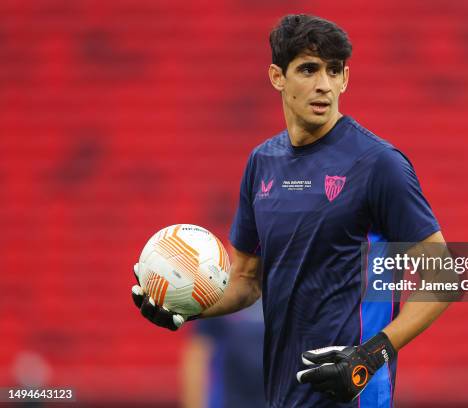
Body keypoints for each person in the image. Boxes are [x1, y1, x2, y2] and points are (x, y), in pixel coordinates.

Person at [132, 14, 450, 407]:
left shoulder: (378, 164)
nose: (324, 85)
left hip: (356, 396)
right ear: (276, 76)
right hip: (283, 396)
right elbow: (247, 282)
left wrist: (370, 356)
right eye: (308, 69)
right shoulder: (262, 162)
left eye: (335, 71)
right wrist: (184, 307)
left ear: (346, 79)